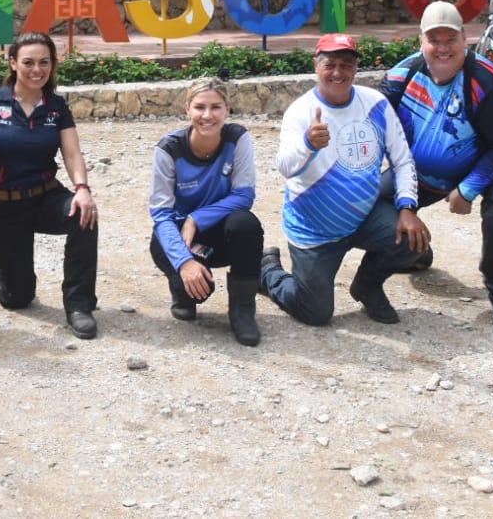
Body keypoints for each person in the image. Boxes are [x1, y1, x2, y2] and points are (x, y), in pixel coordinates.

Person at [383, 1, 493, 336]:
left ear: (465, 39)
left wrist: (468, 189)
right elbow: (374, 129)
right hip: (421, 171)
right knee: (368, 201)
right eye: (433, 40)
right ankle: (412, 252)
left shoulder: (488, 81)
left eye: (450, 39)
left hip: (491, 159)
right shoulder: (399, 77)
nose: (442, 48)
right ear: (420, 42)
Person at [260, 32, 429, 327]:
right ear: (316, 65)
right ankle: (268, 273)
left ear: (356, 68)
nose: (338, 72)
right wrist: (308, 144)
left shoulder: (375, 103)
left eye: (346, 64)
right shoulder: (301, 112)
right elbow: (285, 168)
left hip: (363, 217)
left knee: (415, 243)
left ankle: (367, 286)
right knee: (315, 313)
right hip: (315, 230)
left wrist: (407, 209)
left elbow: (402, 160)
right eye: (330, 64)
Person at [0, 31, 100, 340]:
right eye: (29, 62)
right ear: (13, 63)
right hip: (3, 206)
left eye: (44, 62)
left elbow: (72, 153)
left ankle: (79, 305)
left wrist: (82, 189)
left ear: (52, 65)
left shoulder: (57, 106)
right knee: (17, 298)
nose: (37, 70)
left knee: (84, 215)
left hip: (45, 198)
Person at [149, 76, 263, 346]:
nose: (207, 115)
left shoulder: (237, 137)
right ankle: (182, 289)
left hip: (221, 232)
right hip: (184, 240)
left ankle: (242, 310)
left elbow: (244, 195)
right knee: (194, 293)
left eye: (216, 107)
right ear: (187, 109)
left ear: (228, 109)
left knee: (246, 225)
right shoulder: (169, 149)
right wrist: (184, 263)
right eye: (200, 107)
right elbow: (162, 214)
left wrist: (196, 218)